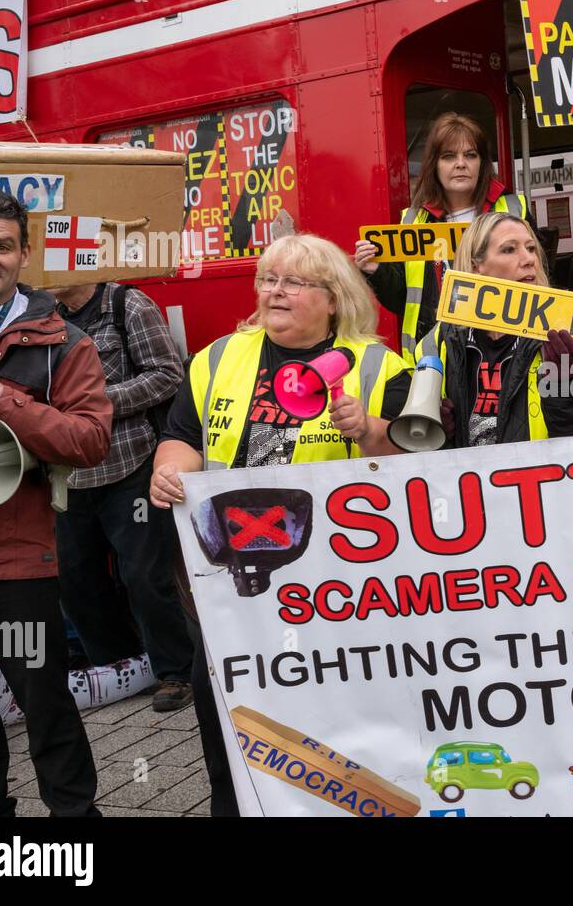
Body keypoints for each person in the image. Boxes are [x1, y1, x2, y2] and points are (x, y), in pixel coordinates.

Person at [150, 233, 412, 815]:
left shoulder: (381, 366)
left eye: (293, 282)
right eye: (268, 278)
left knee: (331, 719)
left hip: (333, 585)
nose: (275, 291)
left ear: (335, 298)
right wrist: (170, 471)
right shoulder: (218, 358)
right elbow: (184, 439)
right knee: (222, 711)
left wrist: (368, 429)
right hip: (229, 576)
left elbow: (414, 463)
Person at [0, 189, 111, 816]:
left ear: (24, 254)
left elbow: (90, 440)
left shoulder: (61, 341)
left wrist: (4, 405)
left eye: (2, 246)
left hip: (13, 563)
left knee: (47, 715)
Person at [47, 281, 193, 712]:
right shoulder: (38, 316)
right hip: (68, 475)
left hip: (130, 465)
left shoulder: (126, 304)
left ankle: (176, 671)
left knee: (146, 578)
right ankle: (119, 667)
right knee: (75, 583)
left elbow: (168, 375)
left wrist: (95, 404)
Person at [414, 211, 573, 447]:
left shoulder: (568, 333)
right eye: (509, 249)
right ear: (477, 266)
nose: (529, 259)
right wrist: (439, 432)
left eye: (531, 248)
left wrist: (566, 393)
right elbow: (417, 448)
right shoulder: (437, 342)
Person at [354, 112, 529, 362]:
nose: (461, 164)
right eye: (449, 156)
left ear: (482, 163)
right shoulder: (412, 221)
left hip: (507, 348)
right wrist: (377, 271)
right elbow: (404, 300)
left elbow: (541, 282)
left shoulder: (514, 208)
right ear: (435, 165)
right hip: (436, 355)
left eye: (470, 155)